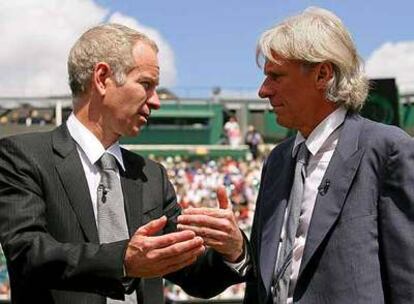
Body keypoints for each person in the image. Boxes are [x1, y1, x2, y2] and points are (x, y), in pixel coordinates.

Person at [0, 24, 243, 304]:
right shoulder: (23, 156)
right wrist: (123, 262)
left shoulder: (151, 176)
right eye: (146, 84)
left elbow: (192, 274)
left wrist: (232, 251)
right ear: (102, 78)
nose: (156, 101)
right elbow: (27, 253)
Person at [243, 7, 414, 304]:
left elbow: (407, 279)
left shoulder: (386, 149)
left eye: (276, 76)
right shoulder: (277, 160)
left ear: (322, 74)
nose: (263, 90)